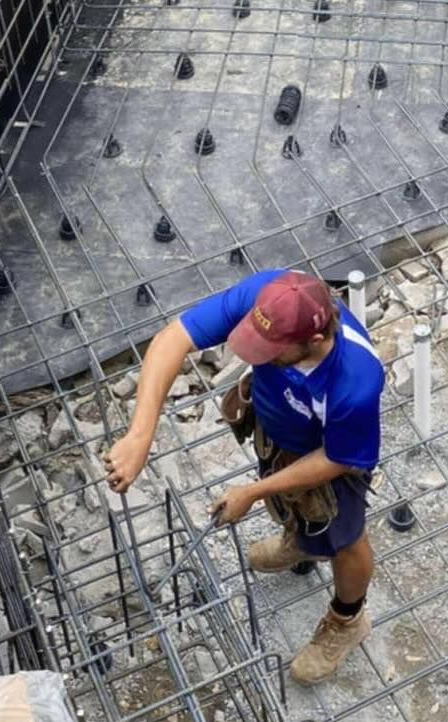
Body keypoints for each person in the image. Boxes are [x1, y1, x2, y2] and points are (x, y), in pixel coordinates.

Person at [105, 268, 384, 683]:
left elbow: (337, 459)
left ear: (315, 340)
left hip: (328, 455)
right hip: (281, 431)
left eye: (271, 349)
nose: (256, 354)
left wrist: (253, 492)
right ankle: (302, 541)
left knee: (345, 537)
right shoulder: (271, 296)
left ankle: (348, 619)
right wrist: (141, 434)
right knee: (295, 505)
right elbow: (173, 339)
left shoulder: (355, 381)